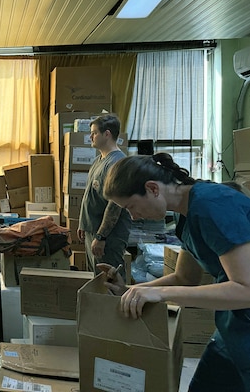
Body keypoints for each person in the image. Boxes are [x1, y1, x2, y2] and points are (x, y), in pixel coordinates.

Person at [98, 152, 250, 392]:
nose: (134, 217)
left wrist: (162, 294)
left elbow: (246, 289)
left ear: (152, 189)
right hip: (234, 327)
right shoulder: (187, 216)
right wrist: (131, 290)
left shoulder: (212, 205)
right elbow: (185, 278)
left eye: (131, 207)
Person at [76, 114, 132, 279]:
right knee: (95, 280)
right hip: (92, 230)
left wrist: (101, 236)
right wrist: (83, 223)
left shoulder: (117, 163)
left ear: (107, 134)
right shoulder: (98, 160)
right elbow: (91, 195)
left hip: (107, 237)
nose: (90, 137)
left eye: (94, 133)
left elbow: (115, 205)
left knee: (109, 281)